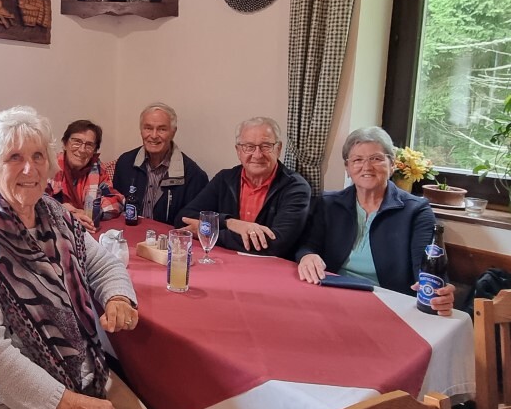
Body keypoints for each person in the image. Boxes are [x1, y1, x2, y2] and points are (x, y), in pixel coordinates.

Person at [0, 106, 179, 409]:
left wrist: (118, 296)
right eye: (14, 157)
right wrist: (65, 405)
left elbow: (102, 263)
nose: (29, 168)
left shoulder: (54, 215)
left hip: (73, 371)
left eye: (37, 156)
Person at [295, 127, 455, 314]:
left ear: (392, 164)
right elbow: (308, 245)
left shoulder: (416, 211)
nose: (367, 167)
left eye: (376, 159)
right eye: (357, 160)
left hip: (388, 303)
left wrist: (438, 294)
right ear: (347, 168)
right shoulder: (327, 203)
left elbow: (426, 267)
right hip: (331, 293)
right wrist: (307, 256)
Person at [178, 117, 310, 258]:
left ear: (278, 149)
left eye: (266, 146)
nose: (257, 155)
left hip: (270, 267)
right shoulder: (224, 179)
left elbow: (276, 244)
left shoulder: (295, 187)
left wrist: (208, 232)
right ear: (238, 151)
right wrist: (230, 223)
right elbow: (184, 219)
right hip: (225, 260)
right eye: (249, 147)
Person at [112, 102, 208, 225]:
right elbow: (117, 208)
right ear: (141, 130)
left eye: (162, 129)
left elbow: (192, 225)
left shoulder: (194, 176)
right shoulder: (125, 163)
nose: (154, 135)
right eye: (148, 128)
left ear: (173, 132)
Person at [47, 119, 125, 233]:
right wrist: (67, 214)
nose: (82, 150)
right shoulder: (49, 166)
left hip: (88, 230)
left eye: (89, 145)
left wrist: (90, 212)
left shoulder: (97, 168)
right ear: (64, 144)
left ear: (94, 151)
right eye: (76, 142)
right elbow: (37, 205)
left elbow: (116, 200)